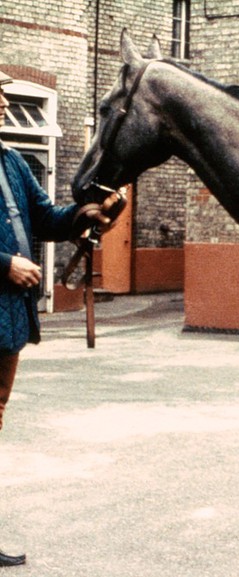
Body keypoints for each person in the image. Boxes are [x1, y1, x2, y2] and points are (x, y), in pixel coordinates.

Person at [0, 69, 116, 567]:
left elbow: (45, 218)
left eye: (4, 95)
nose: (3, 104)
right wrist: (3, 264)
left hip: (8, 317)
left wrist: (84, 214)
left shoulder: (12, 162)